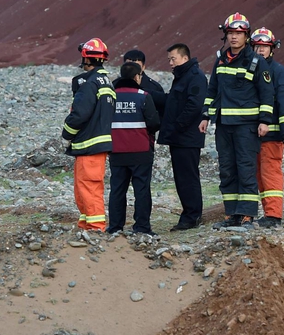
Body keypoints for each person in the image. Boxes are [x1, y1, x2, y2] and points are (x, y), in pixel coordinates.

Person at [200, 13, 275, 228]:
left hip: (246, 126)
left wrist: (264, 121)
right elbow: (212, 90)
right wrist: (206, 114)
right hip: (223, 125)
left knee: (245, 169)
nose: (234, 37)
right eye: (231, 33)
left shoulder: (256, 62)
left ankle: (247, 215)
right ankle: (231, 214)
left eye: (238, 34)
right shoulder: (221, 60)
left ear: (246, 36)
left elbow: (266, 94)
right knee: (227, 169)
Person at [62, 38, 116, 232]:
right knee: (84, 187)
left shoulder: (89, 83)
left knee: (89, 187)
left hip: (89, 145)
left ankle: (94, 227)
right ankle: (86, 225)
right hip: (95, 145)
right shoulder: (107, 84)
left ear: (86, 57)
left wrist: (66, 134)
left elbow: (79, 114)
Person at [107, 62, 160, 235]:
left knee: (117, 190)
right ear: (137, 77)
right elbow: (154, 123)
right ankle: (142, 227)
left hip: (117, 151)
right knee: (142, 190)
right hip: (141, 151)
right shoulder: (143, 96)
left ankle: (115, 227)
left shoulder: (111, 96)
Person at [157, 43, 206, 231]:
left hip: (187, 137)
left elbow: (194, 105)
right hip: (179, 137)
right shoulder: (183, 76)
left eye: (173, 59)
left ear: (184, 58)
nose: (170, 62)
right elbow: (174, 101)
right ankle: (190, 214)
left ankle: (192, 217)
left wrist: (177, 126)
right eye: (169, 59)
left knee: (187, 177)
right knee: (181, 177)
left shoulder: (195, 77)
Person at [250, 28, 284, 228]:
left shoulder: (279, 71)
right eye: (257, 46)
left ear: (272, 49)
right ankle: (267, 212)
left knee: (270, 173)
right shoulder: (251, 69)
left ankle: (274, 215)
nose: (260, 51)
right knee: (259, 174)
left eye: (264, 47)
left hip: (273, 133)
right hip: (254, 132)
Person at [123, 49, 166, 115]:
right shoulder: (114, 85)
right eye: (129, 65)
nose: (132, 69)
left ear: (143, 67)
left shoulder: (154, 88)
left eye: (136, 66)